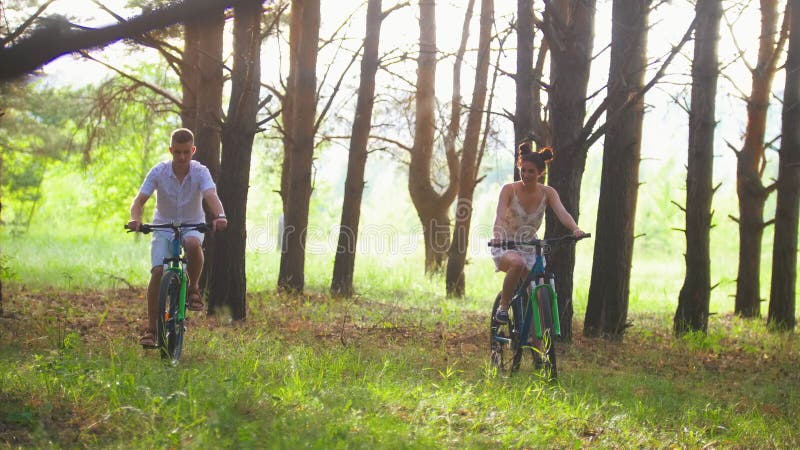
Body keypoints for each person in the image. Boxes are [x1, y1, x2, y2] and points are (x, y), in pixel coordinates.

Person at [127, 128, 228, 348]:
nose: (182, 157)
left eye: (186, 152)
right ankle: (152, 331)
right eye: (177, 152)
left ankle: (193, 288)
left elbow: (211, 195)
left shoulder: (201, 172)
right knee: (157, 273)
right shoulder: (158, 171)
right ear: (170, 150)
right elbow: (139, 201)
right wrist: (135, 219)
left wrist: (220, 215)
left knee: (193, 244)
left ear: (193, 151)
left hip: (192, 225)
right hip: (163, 226)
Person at [490, 142, 585, 323]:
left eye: (531, 171)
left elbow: (562, 213)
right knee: (517, 264)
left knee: (540, 296)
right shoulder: (509, 190)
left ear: (540, 172)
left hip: (529, 246)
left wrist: (575, 229)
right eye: (523, 170)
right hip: (505, 243)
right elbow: (500, 214)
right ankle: (503, 307)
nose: (526, 175)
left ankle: (539, 344)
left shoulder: (548, 193)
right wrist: (497, 236)